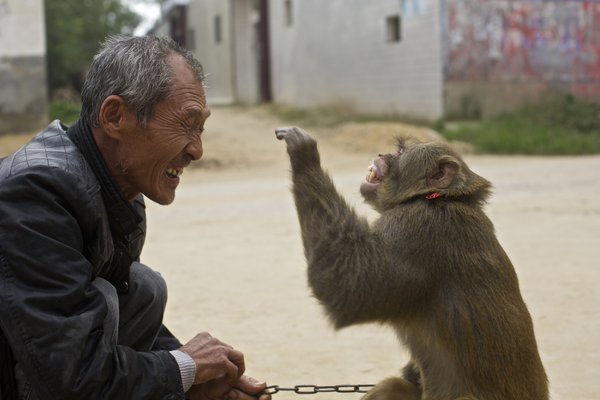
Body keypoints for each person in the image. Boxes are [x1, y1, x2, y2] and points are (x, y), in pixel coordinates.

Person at [0, 35, 271, 400]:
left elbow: (118, 320)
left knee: (141, 289)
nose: (197, 149)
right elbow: (72, 375)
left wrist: (194, 381)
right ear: (115, 117)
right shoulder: (37, 192)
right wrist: (183, 367)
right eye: (185, 124)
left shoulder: (119, 190)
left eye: (200, 128)